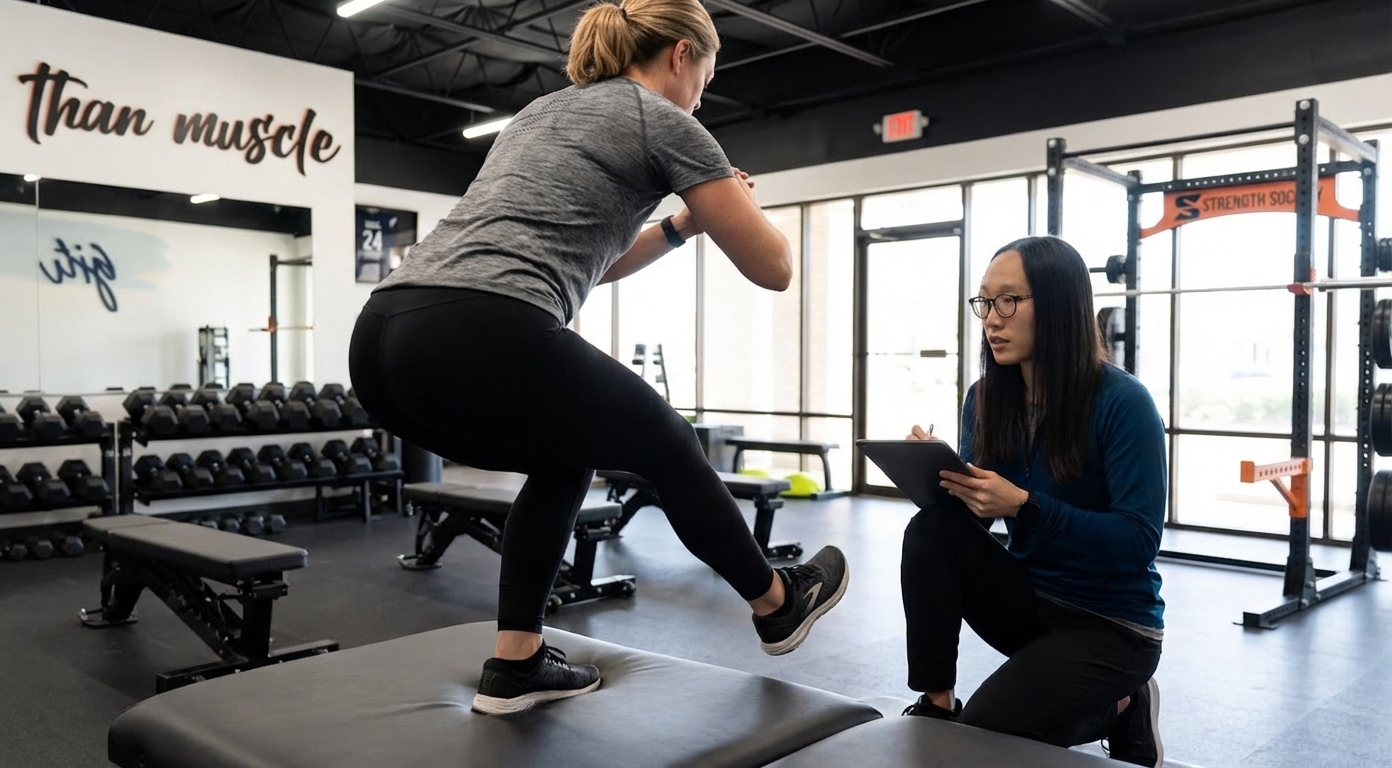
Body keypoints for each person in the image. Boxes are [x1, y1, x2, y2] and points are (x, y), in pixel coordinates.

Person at [348, 0, 848, 717]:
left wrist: (680, 226)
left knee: (563, 457)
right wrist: (735, 202)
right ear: (681, 54)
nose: (703, 89)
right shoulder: (669, 122)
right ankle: (777, 601)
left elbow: (587, 259)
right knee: (670, 443)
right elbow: (773, 267)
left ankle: (516, 663)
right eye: (707, 71)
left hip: (384, 333)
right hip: (479, 326)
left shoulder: (540, 114)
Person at [899, 236, 1166, 767]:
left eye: (1009, 302)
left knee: (986, 736)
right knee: (929, 528)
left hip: (1112, 627)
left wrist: (1025, 506)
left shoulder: (1123, 402)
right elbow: (970, 530)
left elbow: (1137, 542)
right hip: (1029, 602)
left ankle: (1123, 706)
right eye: (984, 302)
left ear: (1060, 306)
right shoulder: (985, 399)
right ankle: (936, 702)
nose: (991, 319)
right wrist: (941, 480)